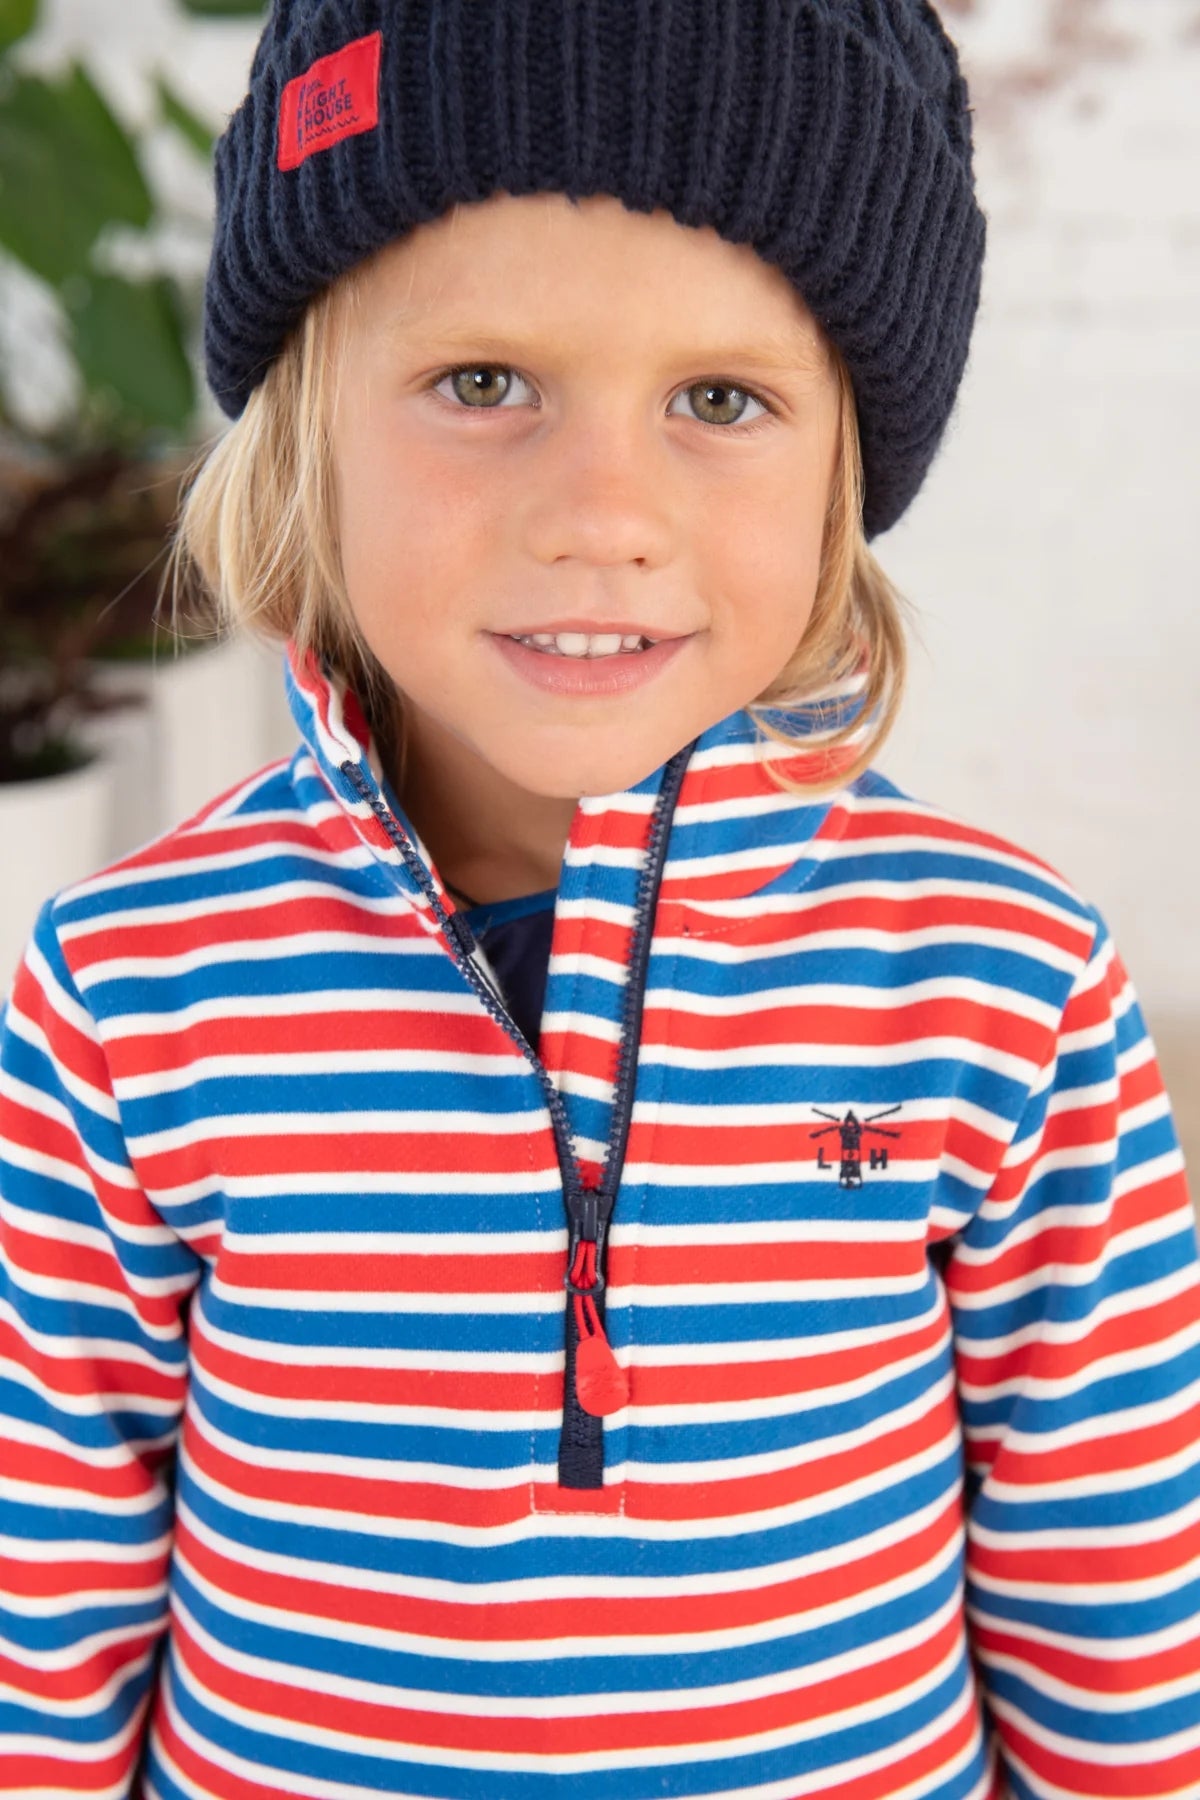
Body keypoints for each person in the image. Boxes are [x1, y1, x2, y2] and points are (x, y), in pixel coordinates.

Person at [1, 2, 1197, 1796]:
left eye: (721, 401)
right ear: (309, 429)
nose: (600, 513)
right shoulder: (130, 991)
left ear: (843, 473)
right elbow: (46, 1599)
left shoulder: (999, 987)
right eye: (484, 383)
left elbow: (1113, 1609)